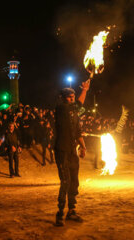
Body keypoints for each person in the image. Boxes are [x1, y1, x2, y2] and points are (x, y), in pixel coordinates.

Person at [54, 79, 90, 226]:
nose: (72, 98)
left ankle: (71, 211)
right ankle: (60, 213)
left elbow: (78, 132)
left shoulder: (74, 114)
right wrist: (85, 90)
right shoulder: (61, 108)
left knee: (74, 181)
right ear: (63, 98)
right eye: (69, 96)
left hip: (71, 151)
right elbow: (78, 105)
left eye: (73, 96)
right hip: (61, 150)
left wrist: (83, 147)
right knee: (65, 181)